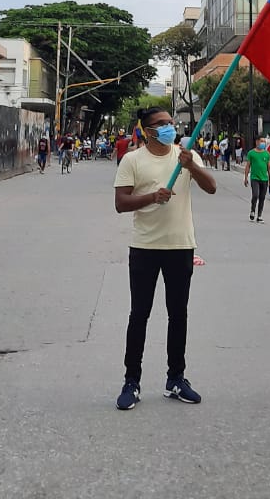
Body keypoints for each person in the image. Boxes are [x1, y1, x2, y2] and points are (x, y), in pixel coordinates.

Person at [114, 107, 217, 410]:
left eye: (171, 122)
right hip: (145, 247)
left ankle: (176, 379)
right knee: (139, 316)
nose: (169, 127)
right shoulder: (132, 160)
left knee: (178, 315)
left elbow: (210, 187)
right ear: (147, 131)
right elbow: (121, 203)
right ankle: (131, 382)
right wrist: (152, 197)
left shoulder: (185, 155)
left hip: (180, 246)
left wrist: (191, 167)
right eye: (161, 124)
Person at [244, 135, 270, 222]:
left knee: (262, 197)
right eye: (261, 141)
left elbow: (269, 167)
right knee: (255, 195)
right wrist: (245, 178)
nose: (263, 143)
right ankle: (252, 210)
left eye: (264, 141)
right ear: (257, 142)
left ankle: (259, 216)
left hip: (264, 179)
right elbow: (248, 166)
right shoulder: (251, 153)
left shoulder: (266, 154)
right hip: (254, 178)